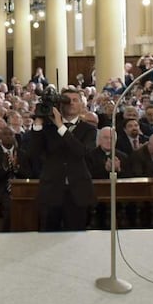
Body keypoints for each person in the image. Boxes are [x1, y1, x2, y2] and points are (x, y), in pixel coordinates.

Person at [27, 87, 96, 232]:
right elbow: (33, 153)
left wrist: (60, 125)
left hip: (78, 191)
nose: (71, 103)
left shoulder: (88, 129)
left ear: (82, 105)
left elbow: (80, 151)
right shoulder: (47, 128)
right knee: (48, 235)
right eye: (66, 101)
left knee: (76, 236)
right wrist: (38, 124)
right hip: (51, 191)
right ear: (60, 105)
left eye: (75, 100)